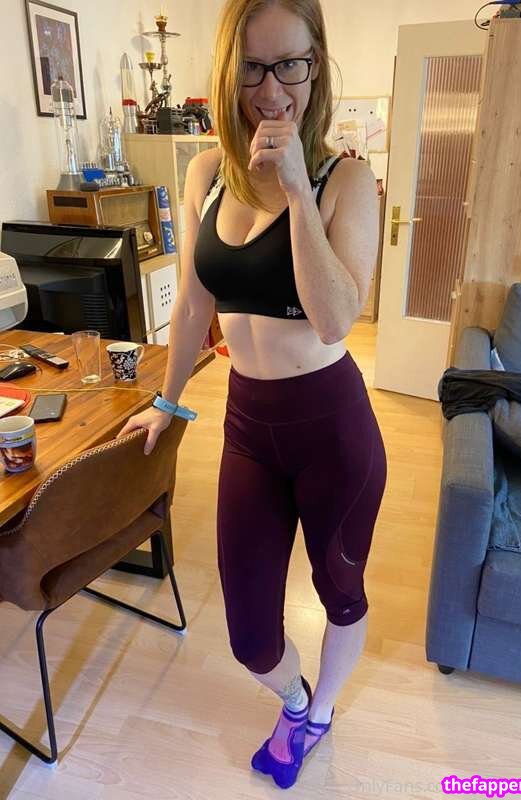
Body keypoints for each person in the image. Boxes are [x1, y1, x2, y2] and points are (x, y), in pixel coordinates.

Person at [117, 0, 387, 789]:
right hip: (247, 425)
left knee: (340, 590)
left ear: (316, 65)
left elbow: (335, 319)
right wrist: (168, 402)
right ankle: (294, 699)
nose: (271, 91)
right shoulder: (206, 173)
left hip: (332, 426)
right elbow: (192, 306)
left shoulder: (346, 180)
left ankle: (321, 712)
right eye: (252, 69)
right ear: (228, 72)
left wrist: (299, 193)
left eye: (289, 65)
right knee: (249, 638)